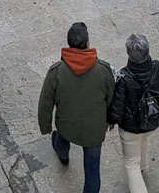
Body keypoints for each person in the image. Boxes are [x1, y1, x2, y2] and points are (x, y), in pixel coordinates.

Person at [38, 22, 115, 193]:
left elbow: (45, 102)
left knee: (61, 138)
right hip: (94, 130)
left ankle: (63, 155)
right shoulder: (103, 70)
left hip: (66, 123)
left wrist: (45, 126)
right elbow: (111, 97)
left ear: (69, 44)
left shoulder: (56, 71)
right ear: (88, 44)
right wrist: (110, 119)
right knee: (93, 171)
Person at [106, 33, 159, 193]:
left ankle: (139, 176)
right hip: (152, 120)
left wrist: (111, 120)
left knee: (131, 163)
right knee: (144, 141)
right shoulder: (158, 68)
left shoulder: (124, 77)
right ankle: (143, 165)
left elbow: (118, 106)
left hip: (131, 127)